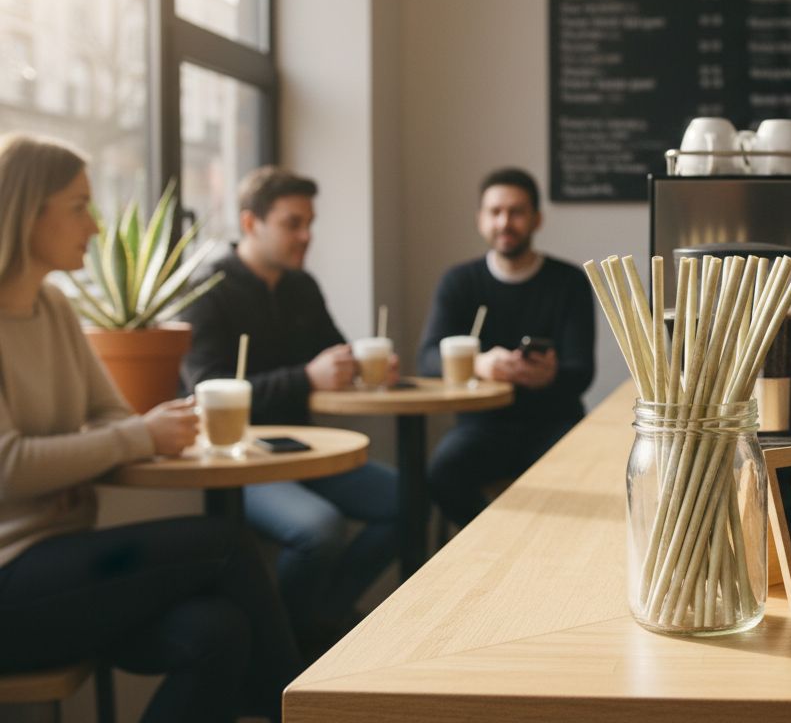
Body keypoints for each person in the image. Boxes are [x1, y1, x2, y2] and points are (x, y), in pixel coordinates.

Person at [0, 133, 300, 721]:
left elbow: (110, 414)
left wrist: (70, 456)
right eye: (79, 206)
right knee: (228, 545)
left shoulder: (57, 308)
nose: (94, 227)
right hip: (11, 577)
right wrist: (91, 451)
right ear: (26, 211)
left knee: (221, 630)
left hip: (62, 560)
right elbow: (9, 466)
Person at [181, 166, 399, 654]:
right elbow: (205, 390)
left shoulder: (302, 286)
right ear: (251, 223)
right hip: (240, 458)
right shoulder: (206, 291)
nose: (306, 235)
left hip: (305, 448)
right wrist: (307, 377)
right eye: (292, 223)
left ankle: (313, 623)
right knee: (318, 529)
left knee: (408, 499)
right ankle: (287, 652)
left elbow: (333, 354)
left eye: (310, 223)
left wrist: (362, 368)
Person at [417, 168, 594, 531]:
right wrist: (479, 364)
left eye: (516, 212)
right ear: (480, 219)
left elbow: (582, 371)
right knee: (442, 472)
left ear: (536, 219)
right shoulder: (459, 282)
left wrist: (550, 375)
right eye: (495, 212)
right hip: (482, 427)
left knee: (584, 475)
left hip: (554, 423)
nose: (505, 222)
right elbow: (428, 359)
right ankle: (493, 541)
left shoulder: (569, 281)